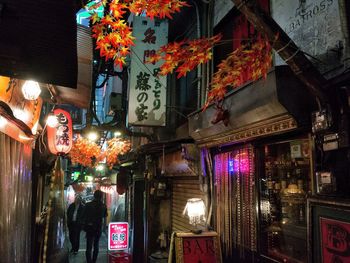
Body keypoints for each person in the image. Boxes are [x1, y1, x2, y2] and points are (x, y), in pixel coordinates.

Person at [82, 190, 107, 263]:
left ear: (94, 196)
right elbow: (105, 215)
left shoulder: (88, 205)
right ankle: (94, 261)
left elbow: (84, 215)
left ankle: (89, 261)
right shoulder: (103, 205)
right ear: (101, 197)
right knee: (96, 245)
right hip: (98, 227)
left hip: (90, 227)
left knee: (89, 246)